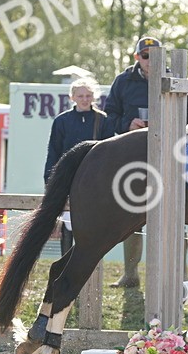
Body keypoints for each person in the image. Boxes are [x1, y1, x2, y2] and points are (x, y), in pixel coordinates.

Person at [101, 37, 160, 287]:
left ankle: (178, 276)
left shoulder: (173, 78)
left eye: (155, 55)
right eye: (145, 56)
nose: (150, 61)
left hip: (166, 153)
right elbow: (109, 115)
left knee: (175, 216)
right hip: (131, 155)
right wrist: (128, 125)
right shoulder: (123, 81)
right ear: (137, 58)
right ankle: (131, 274)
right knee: (131, 214)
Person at [44, 78, 106, 256]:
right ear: (72, 97)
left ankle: (88, 262)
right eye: (81, 96)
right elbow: (53, 152)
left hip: (95, 179)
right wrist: (50, 182)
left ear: (94, 96)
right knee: (68, 221)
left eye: (88, 95)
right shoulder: (62, 121)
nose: (85, 99)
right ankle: (66, 260)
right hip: (68, 178)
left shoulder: (103, 120)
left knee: (91, 223)